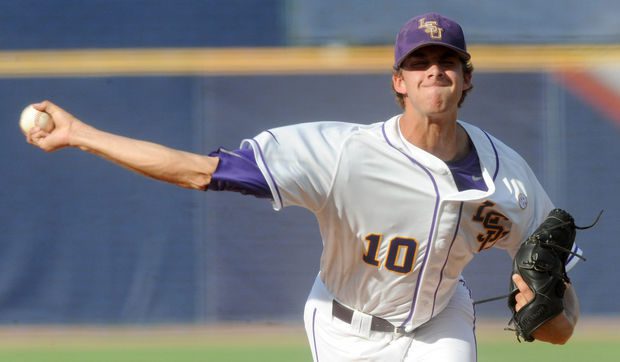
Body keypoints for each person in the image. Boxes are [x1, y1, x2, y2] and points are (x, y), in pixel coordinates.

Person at [25, 12, 580, 362]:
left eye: (447, 61)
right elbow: (197, 171)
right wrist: (81, 134)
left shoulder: (507, 175)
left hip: (440, 324)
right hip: (345, 329)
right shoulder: (340, 154)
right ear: (399, 82)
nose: (434, 70)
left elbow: (558, 298)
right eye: (420, 62)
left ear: (466, 78)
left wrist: (558, 316)